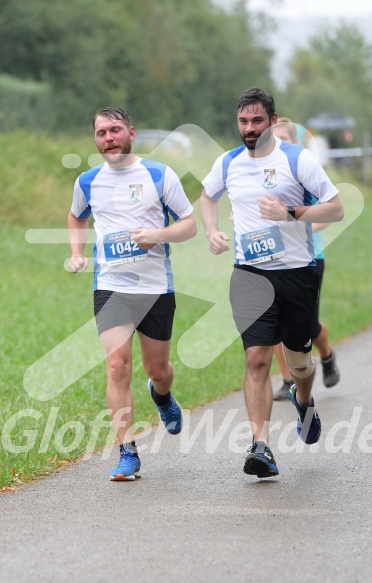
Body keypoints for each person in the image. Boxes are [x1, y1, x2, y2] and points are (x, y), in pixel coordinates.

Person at [200, 87, 344, 479]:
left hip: (298, 273)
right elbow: (207, 196)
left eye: (257, 121)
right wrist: (212, 230)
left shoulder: (297, 158)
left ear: (272, 119)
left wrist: (290, 212)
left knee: (299, 362)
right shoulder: (228, 162)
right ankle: (260, 445)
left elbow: (336, 205)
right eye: (243, 121)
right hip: (250, 273)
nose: (249, 128)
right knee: (257, 358)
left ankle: (305, 400)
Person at [68, 107, 197, 481]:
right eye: (101, 132)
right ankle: (128, 452)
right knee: (117, 366)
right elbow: (77, 216)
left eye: (115, 130)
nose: (108, 138)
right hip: (111, 287)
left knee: (158, 369)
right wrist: (77, 253)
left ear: (131, 132)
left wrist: (157, 235)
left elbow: (189, 225)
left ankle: (161, 395)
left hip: (156, 288)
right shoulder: (88, 181)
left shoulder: (159, 174)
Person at [271, 118, 340, 400]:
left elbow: (327, 212)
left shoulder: (305, 169)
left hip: (309, 257)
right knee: (275, 323)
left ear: (295, 142)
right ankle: (287, 380)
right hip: (272, 258)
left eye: (284, 138)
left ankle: (326, 354)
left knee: (307, 327)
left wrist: (301, 226)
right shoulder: (262, 172)